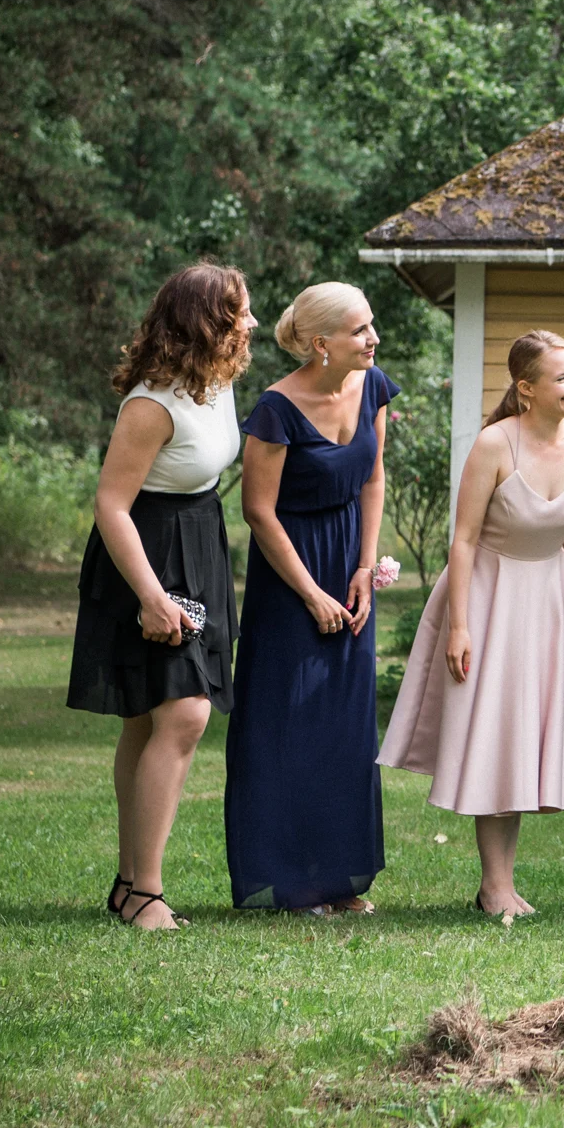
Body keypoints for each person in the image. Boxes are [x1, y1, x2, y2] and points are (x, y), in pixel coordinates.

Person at [380, 331, 564, 916]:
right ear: (526, 389)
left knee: (525, 737)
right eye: (562, 376)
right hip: (489, 597)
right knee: (498, 736)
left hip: (549, 601)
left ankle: (499, 884)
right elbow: (463, 539)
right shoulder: (493, 444)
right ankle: (495, 885)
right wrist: (459, 625)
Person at [68, 264, 255, 930]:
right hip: (144, 553)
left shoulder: (219, 379)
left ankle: (129, 886)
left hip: (199, 541)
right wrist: (150, 596)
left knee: (149, 720)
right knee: (184, 715)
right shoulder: (151, 403)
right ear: (207, 323)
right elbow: (111, 504)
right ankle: (146, 892)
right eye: (239, 313)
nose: (251, 323)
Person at [224, 282, 394, 914]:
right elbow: (258, 512)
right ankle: (293, 882)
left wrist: (365, 567)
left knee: (344, 725)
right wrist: (312, 594)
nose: (374, 338)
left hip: (349, 566)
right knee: (289, 724)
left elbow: (373, 477)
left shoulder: (373, 387)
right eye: (360, 330)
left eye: (371, 325)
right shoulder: (276, 409)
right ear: (322, 343)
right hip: (290, 573)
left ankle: (339, 878)